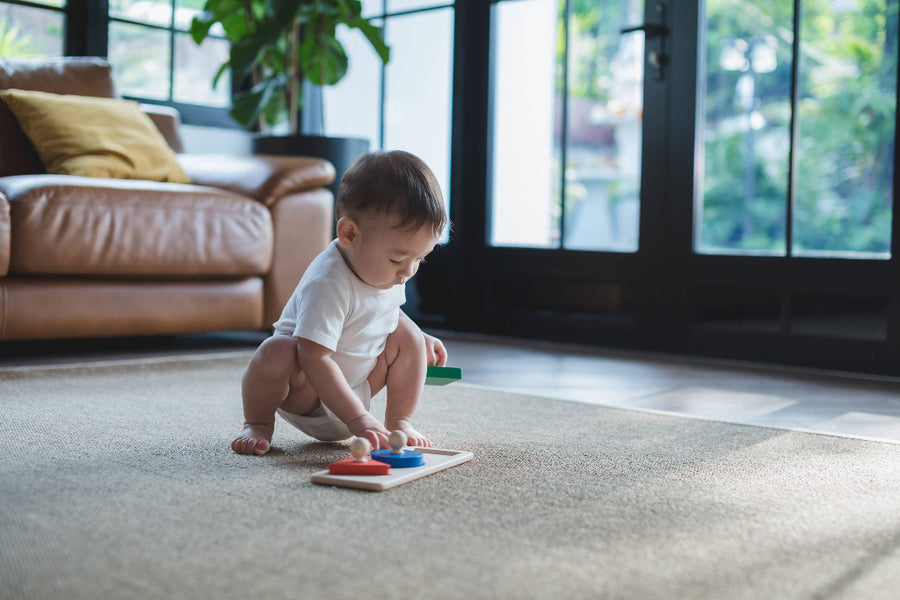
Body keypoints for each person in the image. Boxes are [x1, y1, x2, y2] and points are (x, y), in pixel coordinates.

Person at [231, 150, 449, 455]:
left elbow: (386, 311)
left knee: (407, 334)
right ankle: (256, 423)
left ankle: (400, 422)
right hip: (309, 395)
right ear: (349, 234)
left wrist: (419, 339)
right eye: (398, 259)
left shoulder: (386, 273)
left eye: (420, 260)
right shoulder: (329, 282)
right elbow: (314, 358)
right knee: (276, 351)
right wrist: (359, 420)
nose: (408, 272)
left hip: (358, 387)